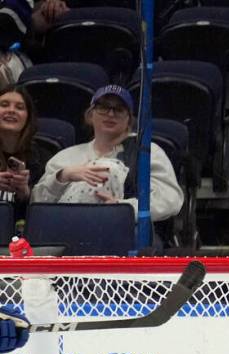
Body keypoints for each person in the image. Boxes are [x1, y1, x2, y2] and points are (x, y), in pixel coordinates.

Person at [31, 85, 184, 247]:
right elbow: (37, 203)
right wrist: (63, 176)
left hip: (127, 236)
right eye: (103, 107)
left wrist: (124, 209)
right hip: (65, 237)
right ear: (90, 115)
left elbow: (171, 199)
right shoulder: (66, 157)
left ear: (129, 120)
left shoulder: (147, 151)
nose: (111, 114)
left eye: (119, 109)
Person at [0, 84, 40, 219]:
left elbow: (46, 206)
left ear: (28, 117)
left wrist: (25, 193)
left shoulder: (41, 156)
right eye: (4, 105)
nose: (11, 110)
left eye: (19, 107)